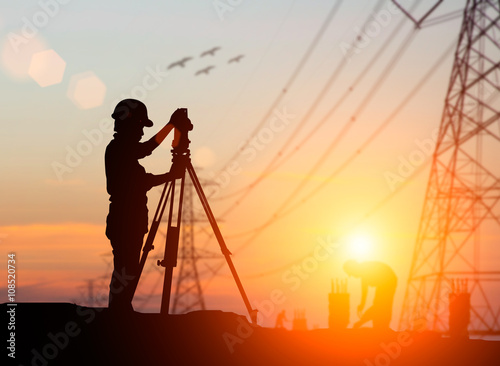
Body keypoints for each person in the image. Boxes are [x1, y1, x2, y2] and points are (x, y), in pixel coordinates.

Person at [105, 98, 184, 312]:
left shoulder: (120, 150)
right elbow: (143, 166)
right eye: (139, 126)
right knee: (126, 268)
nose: (141, 132)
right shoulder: (119, 149)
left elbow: (141, 168)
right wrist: (170, 127)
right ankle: (118, 312)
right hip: (125, 221)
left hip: (129, 220)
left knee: (128, 267)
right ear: (129, 124)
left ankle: (120, 310)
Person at [343, 260, 397, 330]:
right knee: (380, 305)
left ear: (353, 269)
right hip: (385, 282)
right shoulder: (363, 271)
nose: (352, 276)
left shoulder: (365, 270)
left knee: (381, 305)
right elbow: (364, 291)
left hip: (388, 281)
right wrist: (362, 304)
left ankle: (382, 326)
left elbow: (376, 306)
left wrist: (361, 322)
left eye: (350, 273)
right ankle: (380, 326)